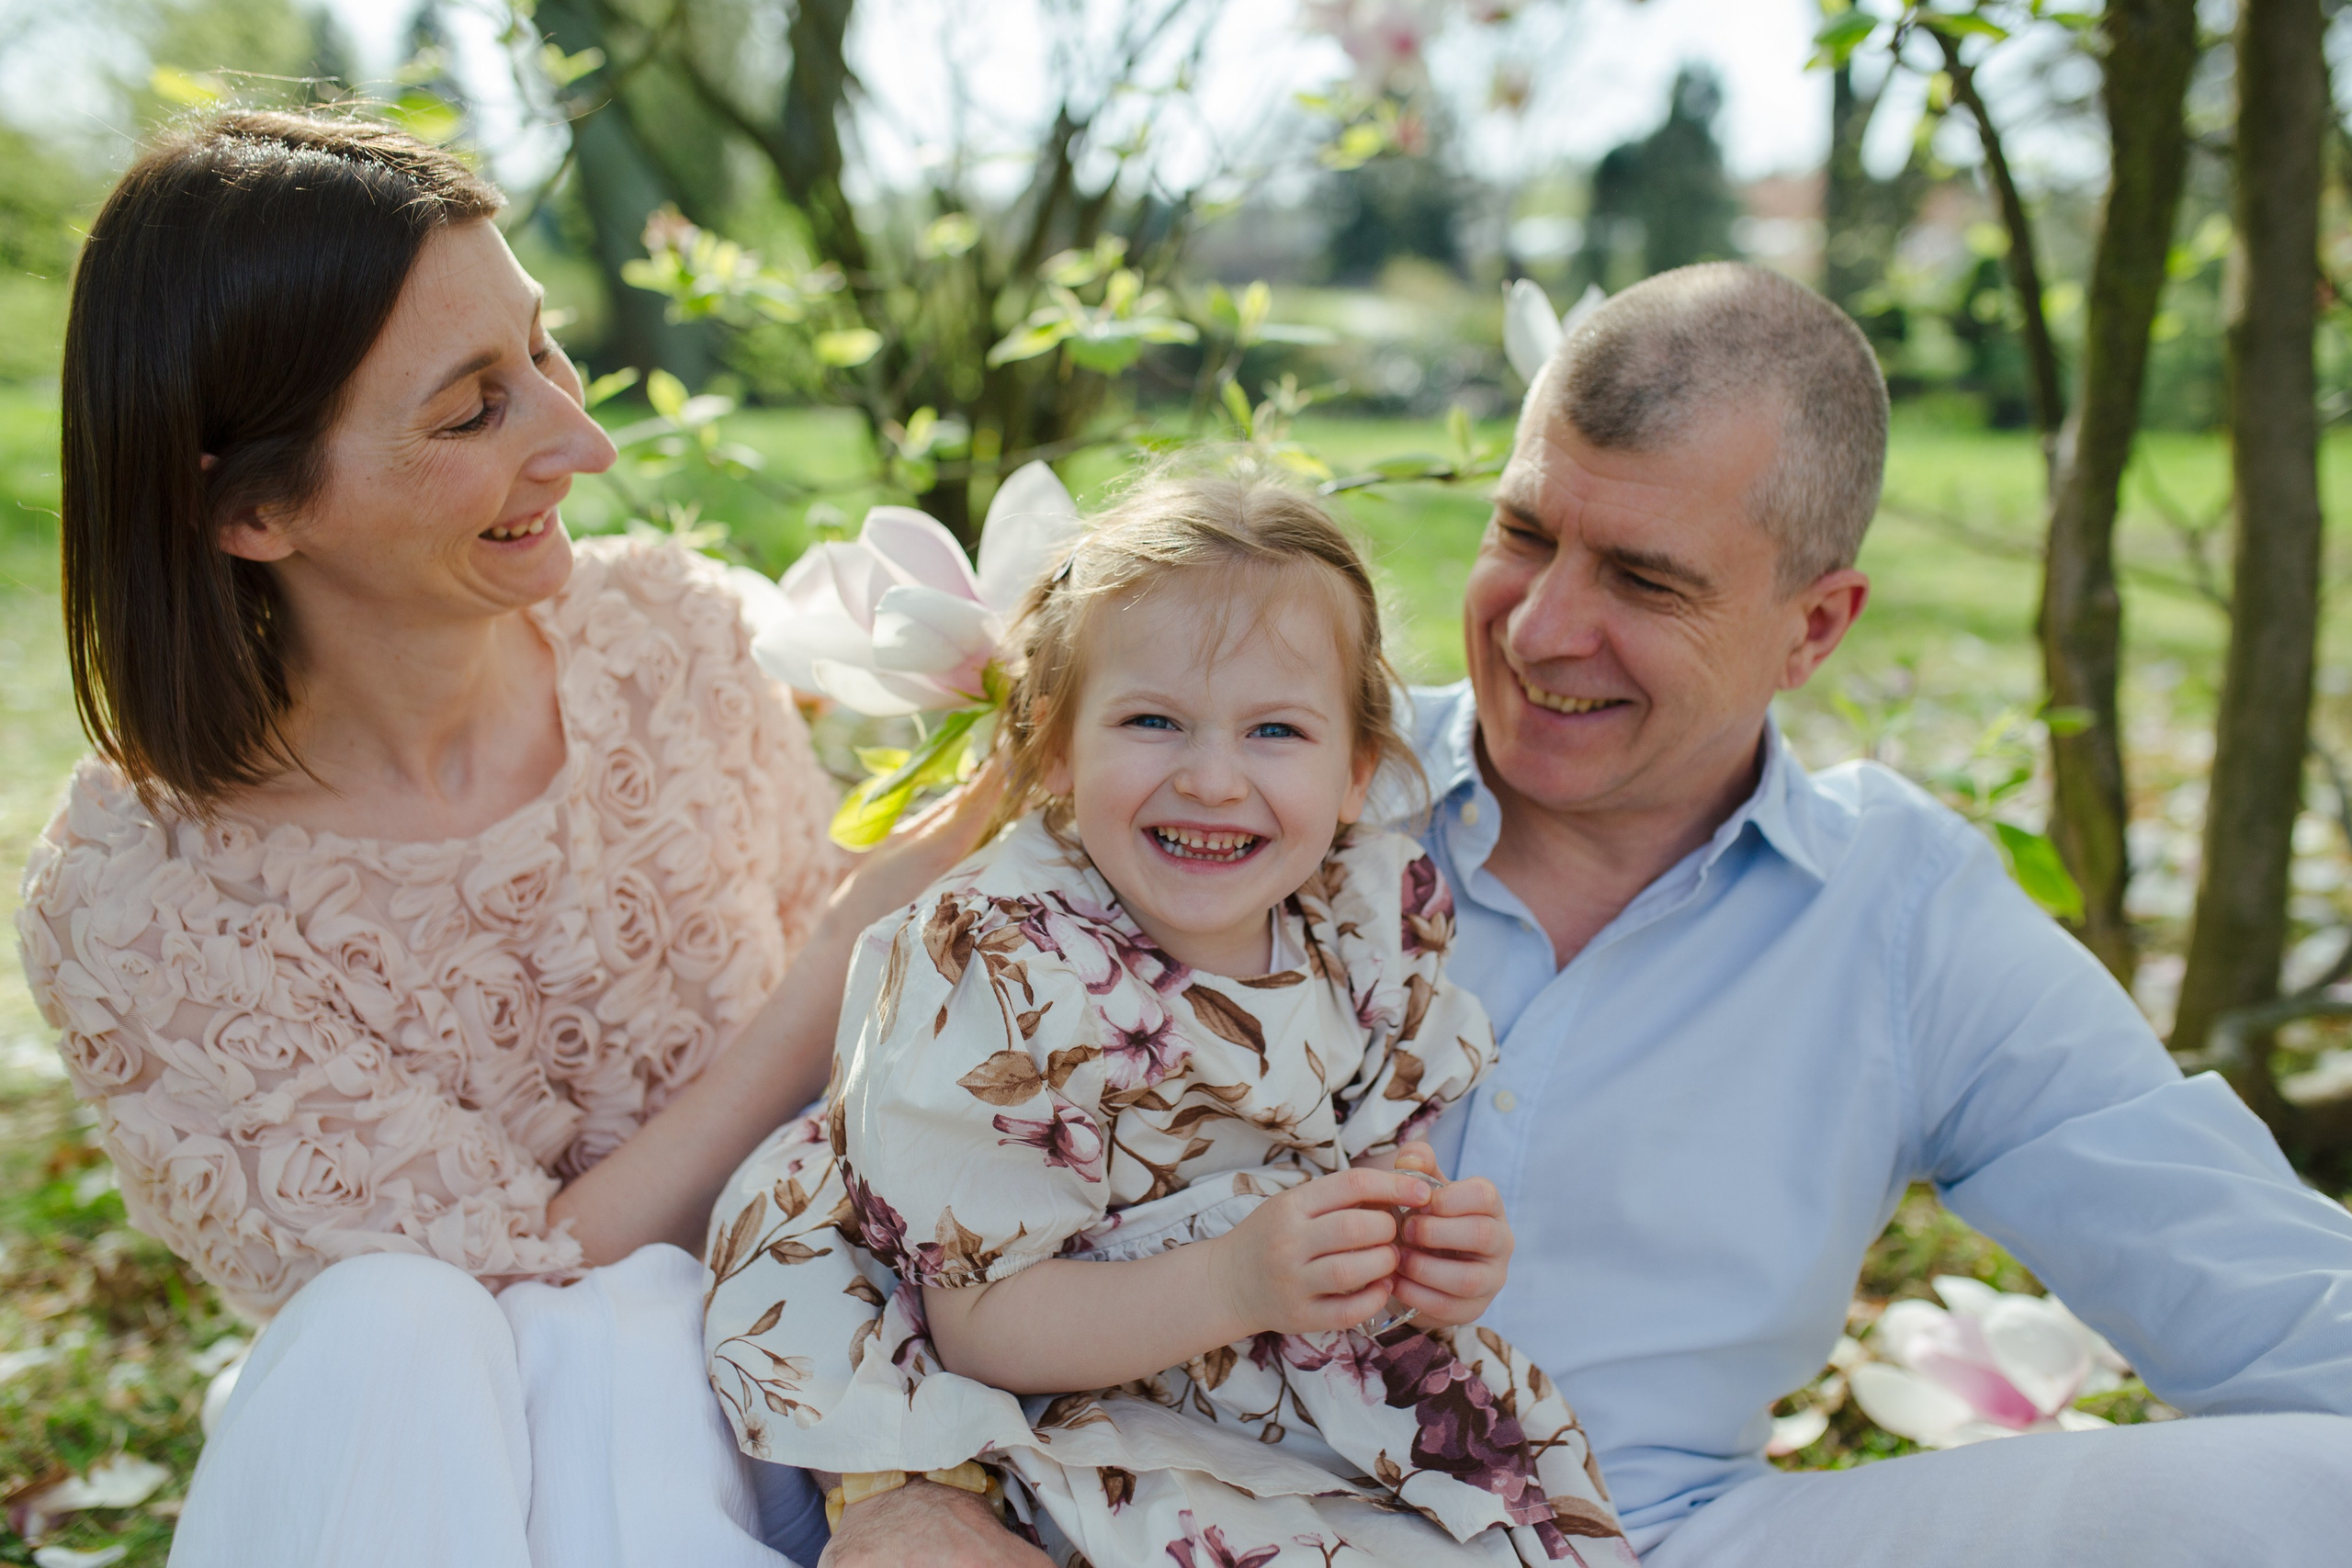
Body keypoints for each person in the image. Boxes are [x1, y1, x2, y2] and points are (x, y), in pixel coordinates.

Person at [731, 262, 2352, 1568]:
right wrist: (901, 1500)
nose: (1543, 626)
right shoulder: (1235, 789)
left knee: (2301, 1501)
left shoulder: (1906, 918)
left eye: (1645, 580)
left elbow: (2264, 1292)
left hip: (1672, 1533)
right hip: (1164, 1504)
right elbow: (855, 1173)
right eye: (1524, 533)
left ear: (1817, 625)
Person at [15, 110, 1026, 1568]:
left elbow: (862, 1135)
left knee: (615, 1327)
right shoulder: (141, 895)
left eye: (542, 351)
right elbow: (505, 1277)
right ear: (253, 506)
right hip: (431, 1472)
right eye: (474, 407)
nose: (585, 437)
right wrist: (837, 965)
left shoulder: (665, 641)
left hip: (771, 1396)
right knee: (415, 1312)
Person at [701, 479, 1638, 1566]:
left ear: (1356, 772)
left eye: (1276, 730)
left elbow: (1379, 1166)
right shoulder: (998, 963)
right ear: (1052, 750)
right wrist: (1234, 1281)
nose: (1210, 777)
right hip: (1017, 1370)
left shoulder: (1360, 927)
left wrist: (1426, 1257)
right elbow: (980, 1329)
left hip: (1264, 1360)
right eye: (1151, 721)